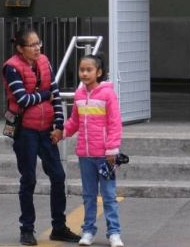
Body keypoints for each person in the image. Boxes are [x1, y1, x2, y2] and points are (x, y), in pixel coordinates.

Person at [3, 29, 80, 246]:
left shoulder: (45, 62)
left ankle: (59, 227)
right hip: (25, 131)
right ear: (20, 48)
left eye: (39, 43)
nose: (38, 48)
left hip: (46, 130)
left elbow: (56, 96)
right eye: (32, 45)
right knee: (28, 180)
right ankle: (26, 229)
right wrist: (45, 95)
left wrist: (58, 125)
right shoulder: (12, 67)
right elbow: (23, 99)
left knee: (58, 176)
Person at [58, 55, 124, 247]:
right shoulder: (79, 96)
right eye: (81, 69)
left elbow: (114, 123)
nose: (84, 73)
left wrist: (112, 149)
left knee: (109, 195)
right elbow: (74, 122)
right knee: (88, 195)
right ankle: (88, 231)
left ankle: (114, 233)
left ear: (99, 72)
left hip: (105, 156)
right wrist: (61, 133)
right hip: (85, 155)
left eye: (89, 70)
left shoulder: (107, 95)